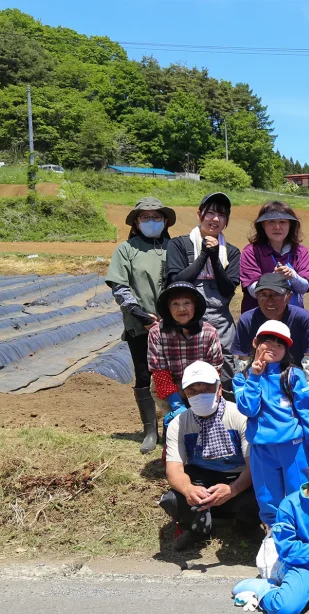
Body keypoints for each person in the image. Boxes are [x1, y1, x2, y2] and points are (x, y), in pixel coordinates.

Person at [231, 451, 309, 614]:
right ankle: (263, 589)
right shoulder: (289, 504)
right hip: (300, 563)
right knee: (282, 610)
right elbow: (286, 550)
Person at [158, 361, 259, 551]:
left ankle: (245, 526)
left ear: (219, 389)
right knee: (172, 500)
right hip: (200, 481)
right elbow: (174, 470)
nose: (200, 394)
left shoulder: (239, 416)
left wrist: (232, 489)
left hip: (237, 479)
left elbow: (253, 465)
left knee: (261, 494)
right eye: (193, 391)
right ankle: (198, 529)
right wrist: (188, 490)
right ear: (185, 394)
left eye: (206, 388)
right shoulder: (178, 424)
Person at [233, 321, 309, 526]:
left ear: (287, 350)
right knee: (267, 497)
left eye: (280, 344)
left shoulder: (293, 375)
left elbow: (306, 413)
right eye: (267, 341)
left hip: (294, 446)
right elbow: (248, 408)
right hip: (261, 449)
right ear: (256, 342)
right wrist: (255, 377)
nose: (273, 347)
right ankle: (275, 536)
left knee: (300, 492)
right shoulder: (243, 378)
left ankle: (303, 533)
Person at [105, 197, 175, 453]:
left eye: (156, 217)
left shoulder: (175, 247)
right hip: (140, 324)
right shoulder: (126, 249)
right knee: (144, 373)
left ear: (165, 220)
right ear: (136, 222)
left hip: (173, 325)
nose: (151, 221)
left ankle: (172, 426)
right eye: (145, 217)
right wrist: (143, 316)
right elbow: (120, 286)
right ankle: (149, 430)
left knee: (171, 374)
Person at [166, 192, 242, 389]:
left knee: (226, 377)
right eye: (210, 213)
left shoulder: (232, 252)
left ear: (226, 221)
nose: (215, 219)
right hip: (186, 323)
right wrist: (203, 256)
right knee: (187, 376)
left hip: (221, 325)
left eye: (222, 215)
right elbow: (176, 281)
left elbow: (227, 290)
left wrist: (215, 258)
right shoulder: (179, 245)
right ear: (199, 214)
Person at [147, 281, 223, 430]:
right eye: (175, 304)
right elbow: (159, 371)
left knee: (203, 427)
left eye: (187, 303)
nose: (181, 309)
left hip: (202, 385)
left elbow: (215, 369)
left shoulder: (209, 332)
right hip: (170, 385)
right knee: (178, 428)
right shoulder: (156, 333)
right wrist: (177, 405)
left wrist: (200, 398)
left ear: (195, 306)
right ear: (168, 308)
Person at [232, 273, 309, 384]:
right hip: (258, 379)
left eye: (276, 294)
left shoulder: (302, 318)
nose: (270, 301)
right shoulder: (247, 320)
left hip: (295, 381)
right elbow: (243, 363)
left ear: (289, 297)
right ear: (256, 296)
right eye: (264, 295)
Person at [238, 201, 309, 314]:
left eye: (282, 222)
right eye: (271, 222)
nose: (277, 227)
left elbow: (304, 288)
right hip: (259, 317)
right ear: (263, 225)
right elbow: (253, 291)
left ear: (290, 224)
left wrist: (293, 276)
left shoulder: (301, 251)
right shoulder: (250, 251)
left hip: (292, 317)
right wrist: (273, 279)